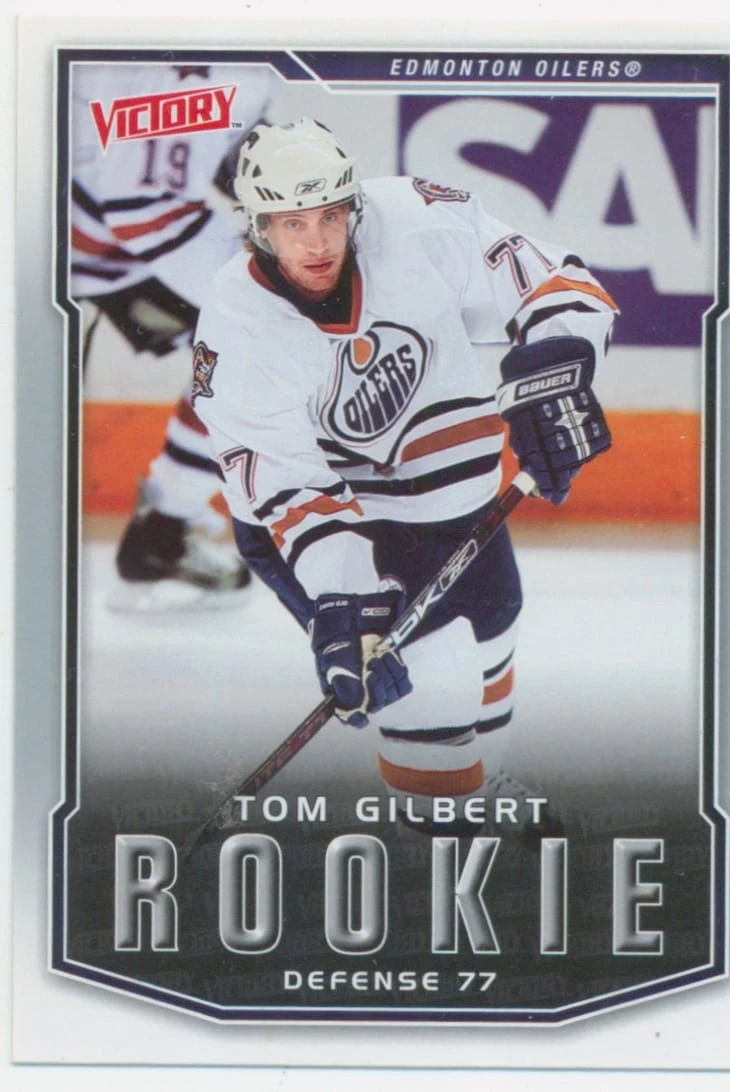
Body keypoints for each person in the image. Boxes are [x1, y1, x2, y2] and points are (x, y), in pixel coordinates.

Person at [192, 118, 618, 835]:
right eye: (293, 223)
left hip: (452, 492)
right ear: (259, 227)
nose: (318, 243)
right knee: (434, 688)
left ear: (353, 205)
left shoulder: (418, 220)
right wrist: (346, 600)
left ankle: (483, 785)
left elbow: (555, 280)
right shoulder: (236, 326)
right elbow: (286, 486)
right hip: (332, 520)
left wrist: (556, 365)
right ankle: (440, 848)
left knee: (491, 636)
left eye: (331, 215)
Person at [71, 63, 280, 609]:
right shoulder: (204, 58)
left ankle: (164, 532)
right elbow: (142, 209)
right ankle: (164, 534)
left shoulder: (234, 55)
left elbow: (202, 147)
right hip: (88, 237)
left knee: (255, 348)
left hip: (88, 229)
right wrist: (265, 280)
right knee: (267, 337)